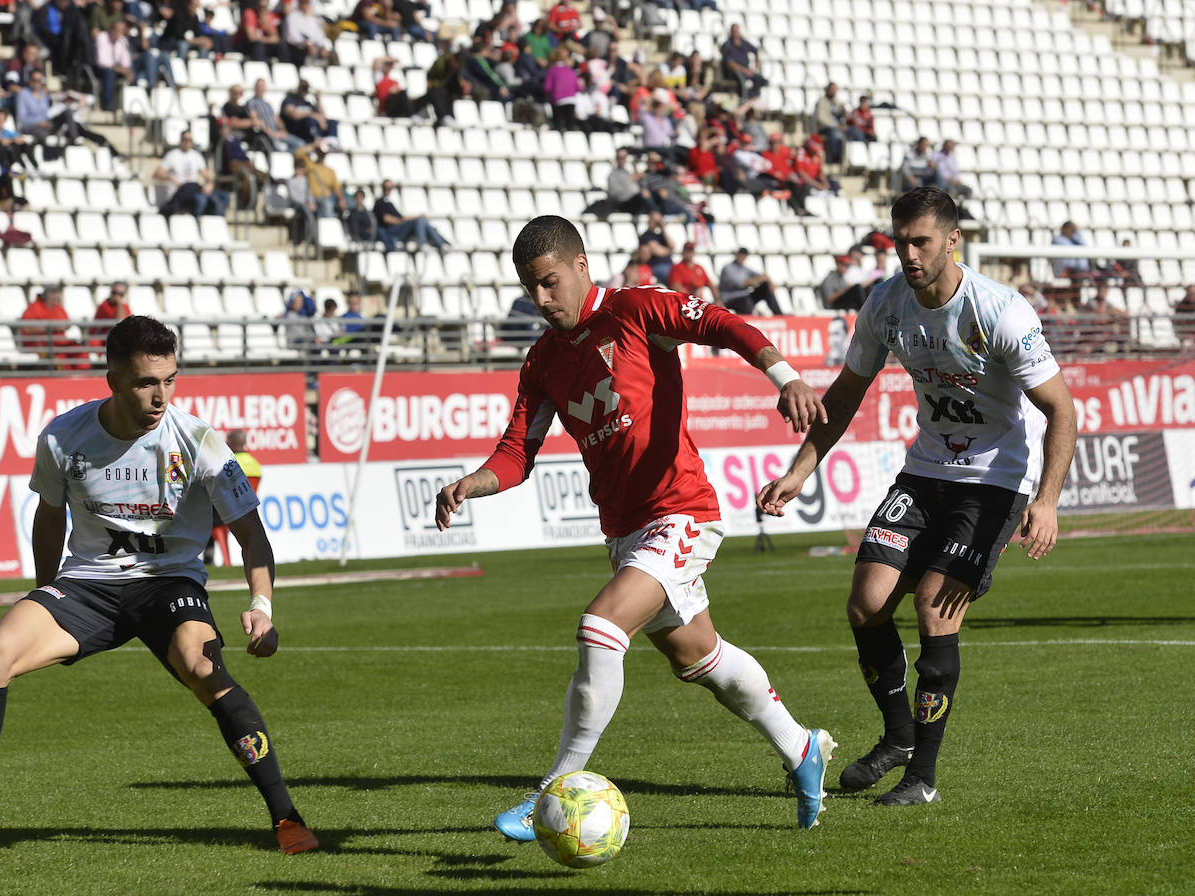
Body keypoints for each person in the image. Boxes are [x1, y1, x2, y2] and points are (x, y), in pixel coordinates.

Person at [435, 216, 835, 841]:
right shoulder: (541, 362)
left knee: (599, 626)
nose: (541, 301)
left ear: (581, 265)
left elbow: (724, 325)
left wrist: (785, 376)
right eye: (530, 289)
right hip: (624, 531)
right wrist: (470, 483)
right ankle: (801, 747)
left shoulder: (636, 310)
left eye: (549, 283)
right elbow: (516, 455)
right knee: (701, 658)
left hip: (681, 511)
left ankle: (551, 792)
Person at [0, 317, 320, 856]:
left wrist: (261, 606)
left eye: (170, 380)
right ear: (112, 379)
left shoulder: (202, 443)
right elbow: (49, 517)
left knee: (203, 666)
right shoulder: (63, 436)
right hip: (88, 586)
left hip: (169, 584)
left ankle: (287, 819)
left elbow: (253, 536)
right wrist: (45, 595)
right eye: (145, 382)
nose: (161, 396)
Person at [758, 187, 1077, 806]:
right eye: (899, 241)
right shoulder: (885, 303)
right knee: (866, 603)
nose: (907, 254)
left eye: (920, 241)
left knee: (935, 605)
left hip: (994, 482)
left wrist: (1047, 499)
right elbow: (846, 393)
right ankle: (898, 737)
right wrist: (800, 471)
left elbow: (1061, 410)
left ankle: (921, 777)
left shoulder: (1000, 313)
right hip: (925, 472)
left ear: (952, 240)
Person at [206, 428, 263, 566]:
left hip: (225, 511)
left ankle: (217, 560)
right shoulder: (254, 463)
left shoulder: (229, 463)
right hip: (247, 509)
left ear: (230, 442)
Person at [154, 131, 230, 217]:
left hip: (193, 190)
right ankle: (195, 224)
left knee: (225, 196)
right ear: (180, 140)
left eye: (190, 140)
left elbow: (207, 176)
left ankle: (214, 223)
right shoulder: (172, 155)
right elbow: (157, 174)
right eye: (185, 139)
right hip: (179, 193)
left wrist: (210, 184)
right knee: (201, 199)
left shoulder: (196, 155)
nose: (187, 142)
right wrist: (170, 177)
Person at [374, 179, 449, 251]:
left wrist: (417, 216)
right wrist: (401, 221)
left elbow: (402, 217)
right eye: (387, 187)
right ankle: (426, 243)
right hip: (392, 232)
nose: (389, 190)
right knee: (419, 221)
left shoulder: (389, 203)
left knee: (423, 221)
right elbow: (386, 219)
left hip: (399, 228)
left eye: (391, 188)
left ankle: (441, 244)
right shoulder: (380, 202)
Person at [718, 248, 781, 315]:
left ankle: (779, 314)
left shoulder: (745, 269)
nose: (742, 257)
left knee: (765, 287)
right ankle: (748, 320)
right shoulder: (728, 268)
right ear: (736, 255)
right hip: (730, 299)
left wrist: (770, 282)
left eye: (744, 255)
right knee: (746, 300)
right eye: (741, 255)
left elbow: (763, 276)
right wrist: (757, 280)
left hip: (744, 296)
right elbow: (742, 283)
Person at [88, 282, 132, 347]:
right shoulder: (104, 305)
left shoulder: (125, 307)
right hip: (100, 339)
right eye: (114, 293)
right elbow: (119, 319)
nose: (117, 296)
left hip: (113, 339)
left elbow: (123, 322)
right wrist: (119, 302)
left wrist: (119, 303)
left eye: (120, 294)